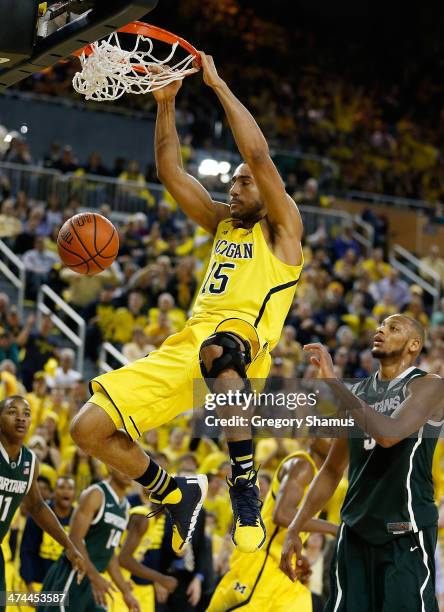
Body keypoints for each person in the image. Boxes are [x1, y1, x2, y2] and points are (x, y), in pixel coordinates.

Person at [70, 51, 304, 556]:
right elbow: (171, 172)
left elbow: (259, 157)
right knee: (86, 429)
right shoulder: (222, 223)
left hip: (243, 347)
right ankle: (173, 492)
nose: (233, 186)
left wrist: (218, 86)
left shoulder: (283, 230)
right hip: (187, 346)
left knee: (220, 351)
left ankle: (244, 485)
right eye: (233, 180)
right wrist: (166, 104)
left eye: (243, 182)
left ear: (265, 190)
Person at [280, 314, 444, 612]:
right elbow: (331, 470)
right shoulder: (358, 395)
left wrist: (334, 384)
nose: (381, 330)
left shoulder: (429, 385)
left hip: (404, 531)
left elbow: (389, 434)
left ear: (413, 345)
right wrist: (295, 527)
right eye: (380, 325)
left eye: (393, 328)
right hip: (354, 532)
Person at [208, 440, 337, 611]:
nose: (335, 440)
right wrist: (336, 529)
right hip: (261, 562)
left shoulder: (319, 475)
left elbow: (293, 525)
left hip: (282, 568)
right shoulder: (302, 465)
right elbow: (282, 514)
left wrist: (299, 554)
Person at [0, 396, 84, 599]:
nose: (21, 418)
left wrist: (69, 546)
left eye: (26, 414)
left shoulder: (30, 462)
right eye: (12, 412)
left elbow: (37, 506)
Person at [37, 468, 140, 612]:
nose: (128, 470)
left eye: (131, 466)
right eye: (122, 465)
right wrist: (94, 577)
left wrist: (126, 592)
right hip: (72, 575)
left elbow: (109, 553)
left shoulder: (125, 507)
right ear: (109, 467)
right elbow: (74, 539)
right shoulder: (96, 494)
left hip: (92, 582)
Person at [20, 476, 76, 592]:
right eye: (61, 487)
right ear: (54, 492)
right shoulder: (39, 515)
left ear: (75, 493)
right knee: (7, 600)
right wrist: (29, 586)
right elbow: (26, 551)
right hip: (37, 582)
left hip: (65, 586)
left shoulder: (78, 518)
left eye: (70, 488)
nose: (66, 491)